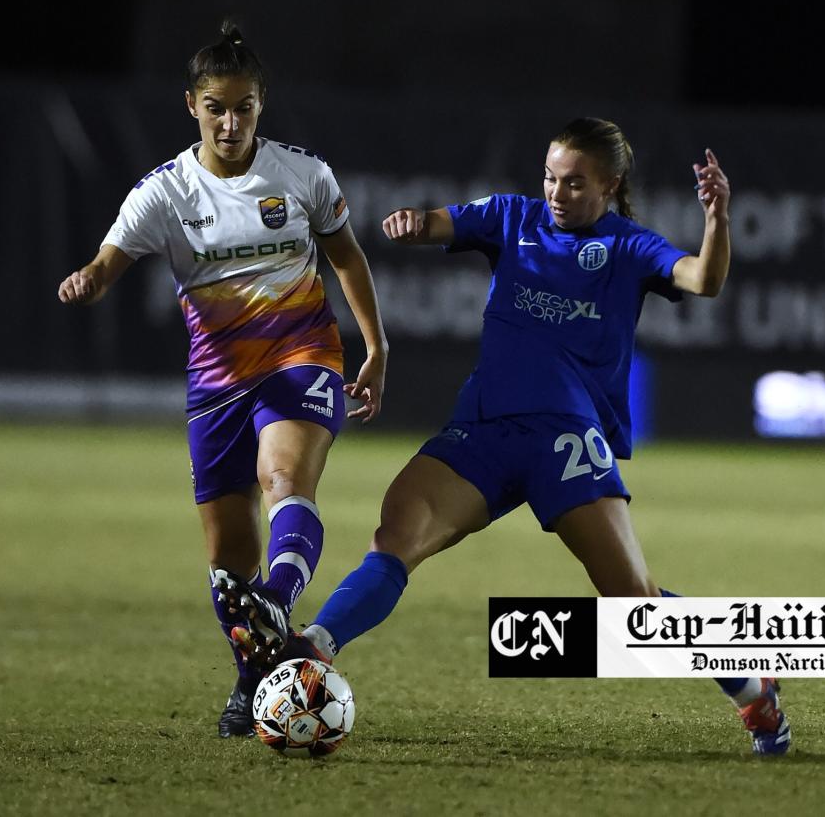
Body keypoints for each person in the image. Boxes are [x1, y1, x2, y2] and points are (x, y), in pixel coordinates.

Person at [221, 117, 791, 756]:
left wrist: (716, 219)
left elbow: (703, 280)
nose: (557, 192)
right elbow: (444, 221)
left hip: (565, 441)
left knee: (633, 604)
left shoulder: (629, 248)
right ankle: (313, 647)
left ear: (611, 185)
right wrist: (414, 223)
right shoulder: (515, 219)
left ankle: (751, 684)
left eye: (575, 183)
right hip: (484, 431)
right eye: (551, 177)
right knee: (396, 535)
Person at [57, 20, 388, 739]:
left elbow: (347, 257)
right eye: (216, 107)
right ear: (191, 106)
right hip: (216, 384)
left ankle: (277, 596)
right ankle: (254, 679)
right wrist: (91, 279)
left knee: (284, 481)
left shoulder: (302, 175)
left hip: (303, 357)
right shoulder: (165, 192)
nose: (230, 121)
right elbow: (111, 259)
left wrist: (375, 345)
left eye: (244, 106)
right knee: (226, 556)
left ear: (262, 104)